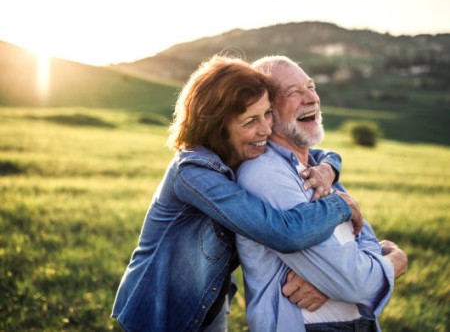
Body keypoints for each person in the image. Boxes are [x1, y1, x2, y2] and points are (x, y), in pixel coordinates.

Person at [111, 55, 364, 332]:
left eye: (267, 113)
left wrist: (329, 168)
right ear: (218, 127)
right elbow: (283, 233)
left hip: (210, 304)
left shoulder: (239, 152)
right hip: (160, 313)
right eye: (250, 121)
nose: (266, 129)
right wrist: (340, 205)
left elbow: (314, 153)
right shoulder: (193, 173)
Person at [236, 55, 408, 332]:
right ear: (267, 111)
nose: (311, 99)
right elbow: (355, 283)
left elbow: (362, 242)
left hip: (358, 323)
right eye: (293, 92)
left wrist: (334, 282)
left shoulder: (319, 170)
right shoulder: (264, 174)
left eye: (311, 87)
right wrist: (397, 261)